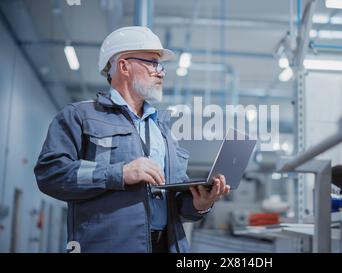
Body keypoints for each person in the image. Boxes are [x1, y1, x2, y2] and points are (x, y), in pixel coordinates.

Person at [34, 26, 230, 253]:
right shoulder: (80, 116)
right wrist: (121, 173)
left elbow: (175, 204)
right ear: (124, 66)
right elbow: (51, 174)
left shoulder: (163, 131)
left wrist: (200, 204)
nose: (161, 72)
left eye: (161, 65)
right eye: (152, 63)